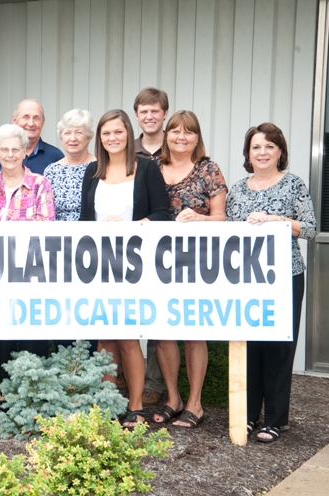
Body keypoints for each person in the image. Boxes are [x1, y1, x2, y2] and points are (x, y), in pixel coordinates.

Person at [226, 123, 317, 443]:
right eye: (256, 147)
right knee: (248, 346)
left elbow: (310, 228)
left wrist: (279, 220)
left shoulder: (294, 185)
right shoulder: (237, 189)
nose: (262, 153)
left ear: (280, 152)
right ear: (247, 154)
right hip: (246, 279)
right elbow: (227, 231)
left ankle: (276, 419)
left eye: (269, 146)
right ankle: (249, 415)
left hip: (285, 277)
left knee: (279, 347)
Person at [79, 109, 170, 428]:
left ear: (127, 134)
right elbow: (83, 223)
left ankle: (135, 407)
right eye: (106, 133)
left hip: (135, 265)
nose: (112, 138)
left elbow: (162, 214)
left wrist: (132, 225)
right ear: (100, 138)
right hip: (100, 266)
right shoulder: (92, 170)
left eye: (118, 132)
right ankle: (106, 404)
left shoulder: (146, 169)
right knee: (104, 338)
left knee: (129, 337)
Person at [151, 110, 227, 429]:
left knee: (194, 331)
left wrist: (199, 218)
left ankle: (196, 402)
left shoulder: (208, 169)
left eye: (189, 132)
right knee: (163, 331)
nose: (181, 137)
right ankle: (173, 398)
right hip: (156, 261)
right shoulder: (151, 167)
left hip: (197, 262)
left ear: (197, 137)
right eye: (175, 131)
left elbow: (222, 219)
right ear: (166, 135)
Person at [0, 123, 55, 418]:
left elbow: (46, 227)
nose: (11, 154)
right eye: (5, 149)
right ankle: (6, 397)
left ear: (25, 151)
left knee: (32, 334)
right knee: (1, 336)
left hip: (31, 272)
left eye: (16, 149)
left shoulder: (41, 184)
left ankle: (31, 399)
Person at [43, 109, 98, 353]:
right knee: (63, 312)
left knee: (89, 314)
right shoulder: (51, 171)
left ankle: (90, 373)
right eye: (67, 133)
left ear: (89, 137)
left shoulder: (100, 168)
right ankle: (64, 371)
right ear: (61, 137)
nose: (73, 138)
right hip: (59, 254)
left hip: (93, 252)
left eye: (79, 133)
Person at [133, 87, 170, 405]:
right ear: (136, 115)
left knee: (160, 317)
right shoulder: (125, 150)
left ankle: (155, 383)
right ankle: (126, 377)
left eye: (154, 111)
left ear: (164, 114)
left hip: (166, 246)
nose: (149, 116)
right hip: (132, 249)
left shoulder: (178, 147)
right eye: (143, 111)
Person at [0, 99, 64, 175]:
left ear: (43, 122)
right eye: (26, 117)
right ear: (14, 120)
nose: (31, 123)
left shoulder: (55, 156)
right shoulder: (0, 155)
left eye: (36, 118)